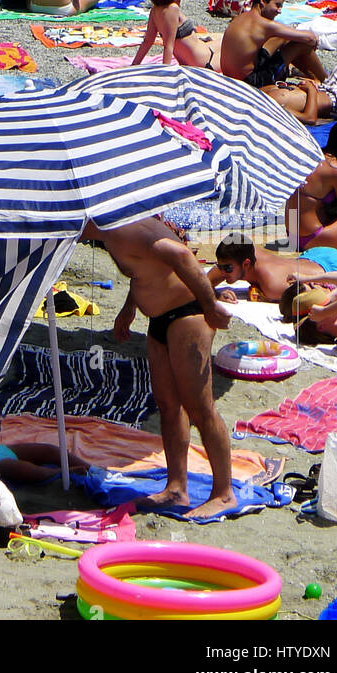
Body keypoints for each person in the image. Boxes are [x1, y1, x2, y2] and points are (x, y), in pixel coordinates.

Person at [95, 216, 234, 520]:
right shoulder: (111, 232)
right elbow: (145, 269)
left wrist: (210, 305)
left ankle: (224, 493)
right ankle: (176, 488)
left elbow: (181, 255)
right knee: (169, 406)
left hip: (188, 314)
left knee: (200, 408)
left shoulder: (124, 228)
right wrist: (129, 307)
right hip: (160, 319)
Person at [209, 233, 337, 305]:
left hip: (329, 270)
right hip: (313, 256)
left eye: (227, 268)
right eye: (221, 267)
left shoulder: (273, 285)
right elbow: (203, 283)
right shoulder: (238, 251)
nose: (222, 273)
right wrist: (216, 294)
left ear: (246, 263)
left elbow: (321, 293)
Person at [220, 0, 325, 86]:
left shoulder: (240, 17)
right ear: (263, 1)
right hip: (250, 80)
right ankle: (327, 81)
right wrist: (311, 45)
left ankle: (311, 75)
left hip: (229, 75)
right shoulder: (265, 24)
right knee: (301, 45)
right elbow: (311, 38)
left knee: (283, 38)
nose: (279, 11)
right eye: (277, 5)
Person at [263, 44, 337, 125]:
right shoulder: (270, 107)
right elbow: (310, 118)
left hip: (328, 87)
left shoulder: (259, 93)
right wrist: (311, 89)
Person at [132, 0, 222, 70]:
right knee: (232, 44)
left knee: (224, 39)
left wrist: (133, 66)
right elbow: (168, 46)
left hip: (199, 56)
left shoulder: (155, 10)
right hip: (205, 61)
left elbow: (148, 41)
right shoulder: (172, 9)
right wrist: (165, 72)